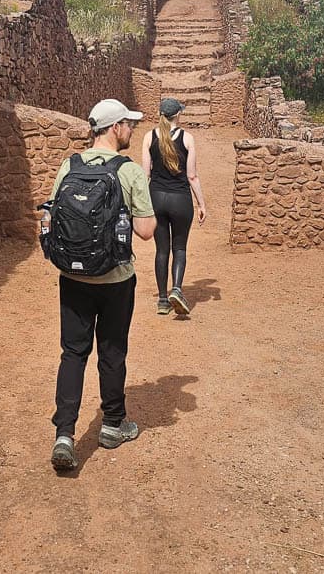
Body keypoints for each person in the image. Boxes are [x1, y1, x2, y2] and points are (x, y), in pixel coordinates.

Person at [48, 98, 156, 472]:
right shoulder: (128, 172)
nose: (131, 130)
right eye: (128, 124)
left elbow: (49, 217)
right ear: (114, 128)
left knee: (72, 353)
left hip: (73, 277)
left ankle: (64, 434)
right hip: (114, 279)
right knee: (112, 352)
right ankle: (112, 424)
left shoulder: (69, 165)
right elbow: (145, 231)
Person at [141, 97, 207, 316]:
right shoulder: (187, 138)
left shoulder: (149, 137)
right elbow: (192, 176)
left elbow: (145, 174)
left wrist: (140, 204)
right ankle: (176, 289)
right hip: (180, 199)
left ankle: (162, 299)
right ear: (178, 114)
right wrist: (201, 203)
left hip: (156, 198)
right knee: (179, 248)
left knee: (161, 250)